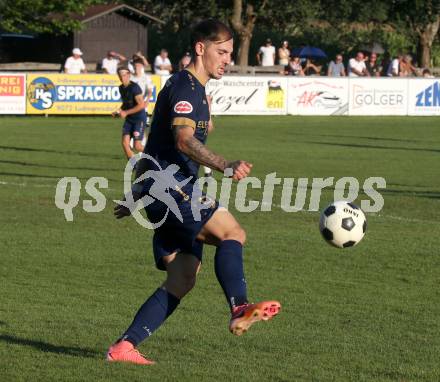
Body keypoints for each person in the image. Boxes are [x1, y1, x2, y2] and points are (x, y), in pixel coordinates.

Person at [107, 19, 281, 365]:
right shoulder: (186, 87)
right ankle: (240, 306)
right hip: (176, 190)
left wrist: (137, 197)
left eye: (230, 52)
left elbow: (155, 149)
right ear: (200, 48)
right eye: (221, 51)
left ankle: (123, 348)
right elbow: (182, 141)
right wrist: (225, 164)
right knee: (233, 232)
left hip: (162, 193)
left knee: (183, 277)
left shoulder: (193, 89)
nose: (227, 59)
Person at [112, 66, 147, 167]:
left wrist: (126, 112)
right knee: (125, 143)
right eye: (119, 75)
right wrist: (119, 111)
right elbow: (126, 103)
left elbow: (141, 105)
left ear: (128, 75)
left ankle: (157, 157)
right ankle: (135, 167)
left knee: (137, 146)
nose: (121, 77)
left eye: (123, 75)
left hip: (139, 119)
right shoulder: (121, 88)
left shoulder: (134, 87)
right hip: (129, 119)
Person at [130, 59, 154, 144]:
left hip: (142, 106)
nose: (136, 67)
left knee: (143, 126)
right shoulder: (131, 77)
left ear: (141, 66)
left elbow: (150, 90)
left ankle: (144, 144)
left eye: (138, 65)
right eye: (135, 66)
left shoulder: (146, 77)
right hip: (132, 107)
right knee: (132, 124)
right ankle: (137, 142)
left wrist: (147, 100)